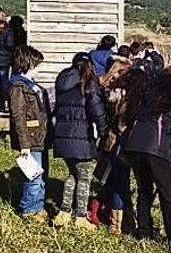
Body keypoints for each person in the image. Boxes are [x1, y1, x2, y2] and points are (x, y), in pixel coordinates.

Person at [124, 72, 171, 245]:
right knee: (166, 194)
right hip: (156, 150)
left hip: (134, 147)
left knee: (144, 190)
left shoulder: (145, 102)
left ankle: (144, 230)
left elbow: (131, 121)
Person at [51, 52, 108, 229]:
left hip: (62, 136)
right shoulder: (89, 83)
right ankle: (81, 217)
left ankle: (64, 213)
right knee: (84, 177)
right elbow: (97, 111)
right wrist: (104, 131)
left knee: (72, 175)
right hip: (81, 136)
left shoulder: (62, 83)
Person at [100, 68, 148, 234]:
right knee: (121, 183)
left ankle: (118, 219)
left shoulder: (117, 95)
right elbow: (122, 126)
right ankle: (119, 223)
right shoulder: (133, 100)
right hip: (125, 145)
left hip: (113, 143)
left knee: (117, 181)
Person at [8, 45, 50, 222]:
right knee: (33, 175)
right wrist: (24, 145)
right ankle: (28, 208)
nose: (39, 69)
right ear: (28, 64)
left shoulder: (33, 86)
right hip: (30, 138)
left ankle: (38, 205)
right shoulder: (18, 88)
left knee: (41, 174)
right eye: (37, 65)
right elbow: (18, 117)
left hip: (40, 136)